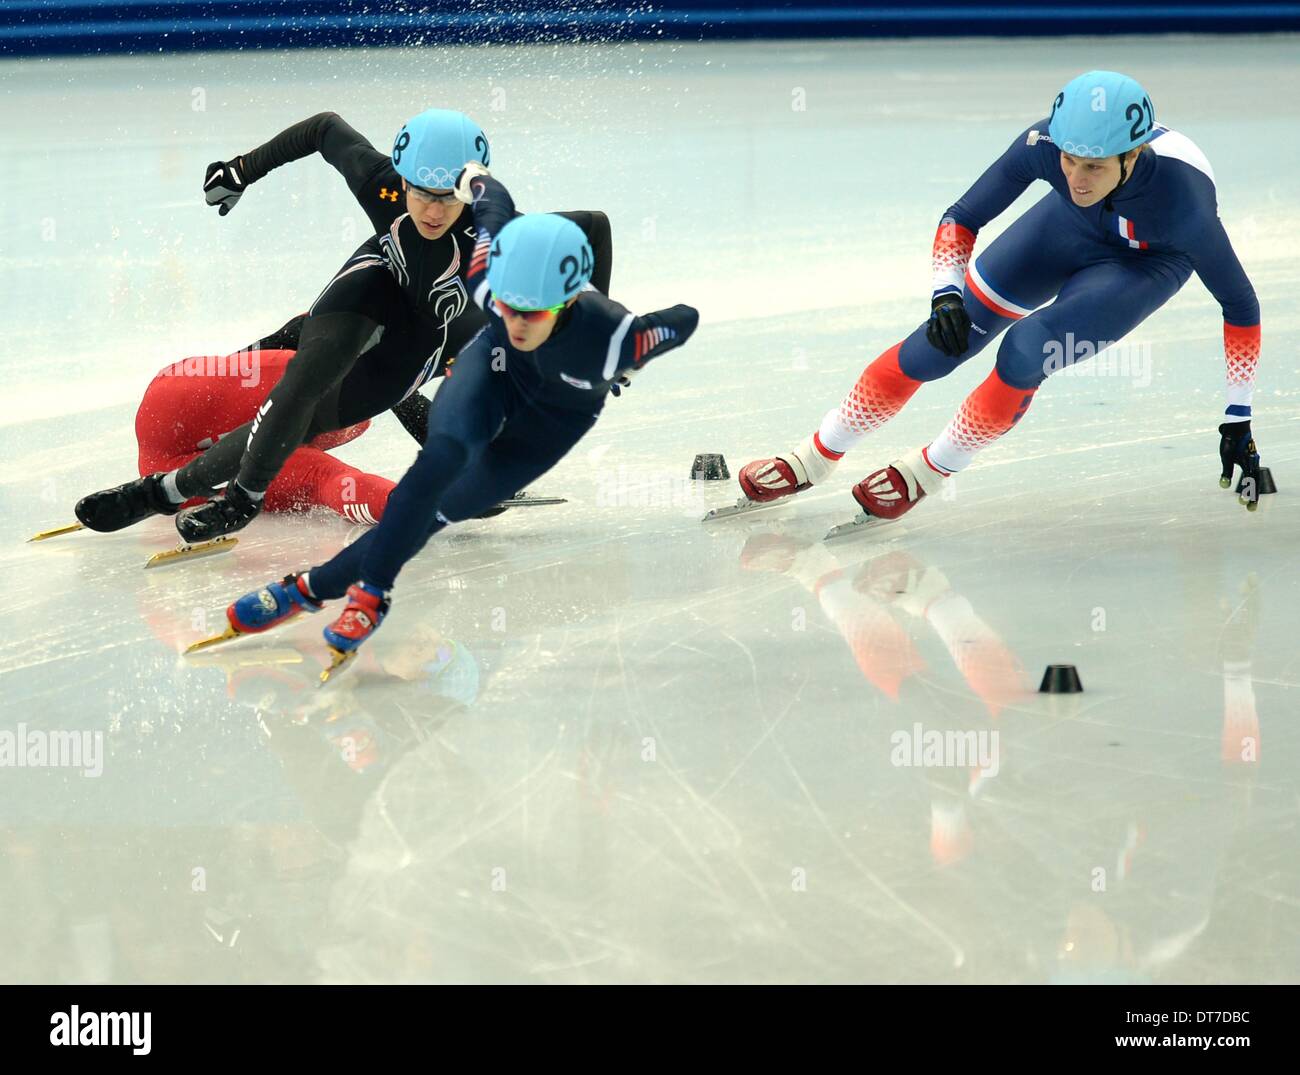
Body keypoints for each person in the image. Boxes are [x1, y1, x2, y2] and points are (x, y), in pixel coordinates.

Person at [195, 168, 699, 674]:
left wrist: (631, 355)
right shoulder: (485, 272)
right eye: (508, 305)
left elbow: (685, 317)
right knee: (437, 466)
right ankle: (369, 595)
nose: (519, 322)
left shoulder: (616, 339)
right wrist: (469, 178)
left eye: (535, 313)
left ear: (567, 301)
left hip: (552, 417)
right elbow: (491, 200)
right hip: (487, 368)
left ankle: (310, 588)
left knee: (441, 510)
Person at [736, 70, 1264, 521]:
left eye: (1095, 166)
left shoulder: (1187, 208)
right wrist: (945, 294)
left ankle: (931, 469)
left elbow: (1241, 306)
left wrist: (1236, 416)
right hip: (1068, 228)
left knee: (1026, 349)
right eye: (1070, 161)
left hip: (1146, 261)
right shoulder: (1047, 146)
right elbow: (961, 217)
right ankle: (816, 455)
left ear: (1133, 155)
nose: (1077, 176)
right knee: (934, 346)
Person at [74, 109, 612, 540]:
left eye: (448, 196)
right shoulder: (381, 185)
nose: (432, 209)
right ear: (401, 178)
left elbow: (593, 227)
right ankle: (239, 500)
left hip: (420, 338)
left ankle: (161, 492)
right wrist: (240, 169)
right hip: (374, 280)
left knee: (306, 423)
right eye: (420, 192)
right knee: (301, 383)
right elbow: (323, 128)